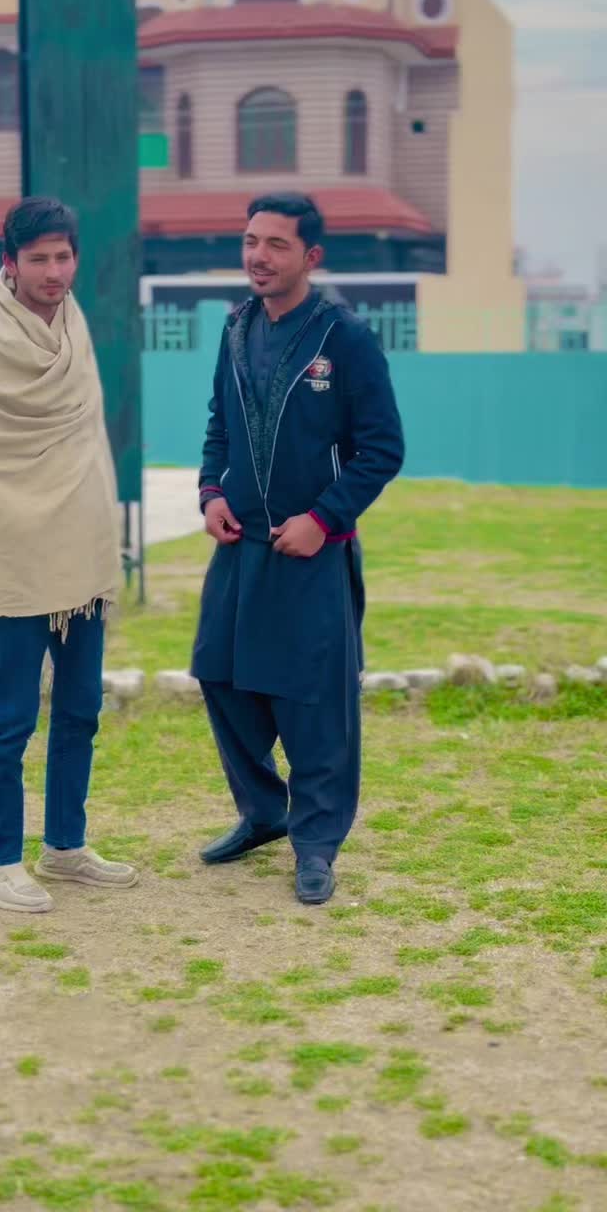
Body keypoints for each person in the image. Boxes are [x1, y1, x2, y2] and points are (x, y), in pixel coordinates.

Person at [191, 193, 404, 905]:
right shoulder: (236, 329)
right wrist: (210, 494)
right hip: (241, 543)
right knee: (220, 674)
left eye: (276, 244)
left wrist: (323, 518)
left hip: (312, 550)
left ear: (311, 256)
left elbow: (382, 449)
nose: (258, 256)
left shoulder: (344, 337)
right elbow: (219, 425)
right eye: (251, 241)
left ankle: (316, 846)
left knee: (314, 701)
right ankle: (263, 812)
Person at [0, 197, 138, 913]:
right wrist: (16, 527)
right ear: (11, 264)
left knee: (81, 707)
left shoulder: (73, 323)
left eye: (63, 257)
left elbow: (85, 438)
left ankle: (64, 846)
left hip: (79, 549)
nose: (54, 272)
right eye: (39, 259)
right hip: (19, 557)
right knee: (14, 714)